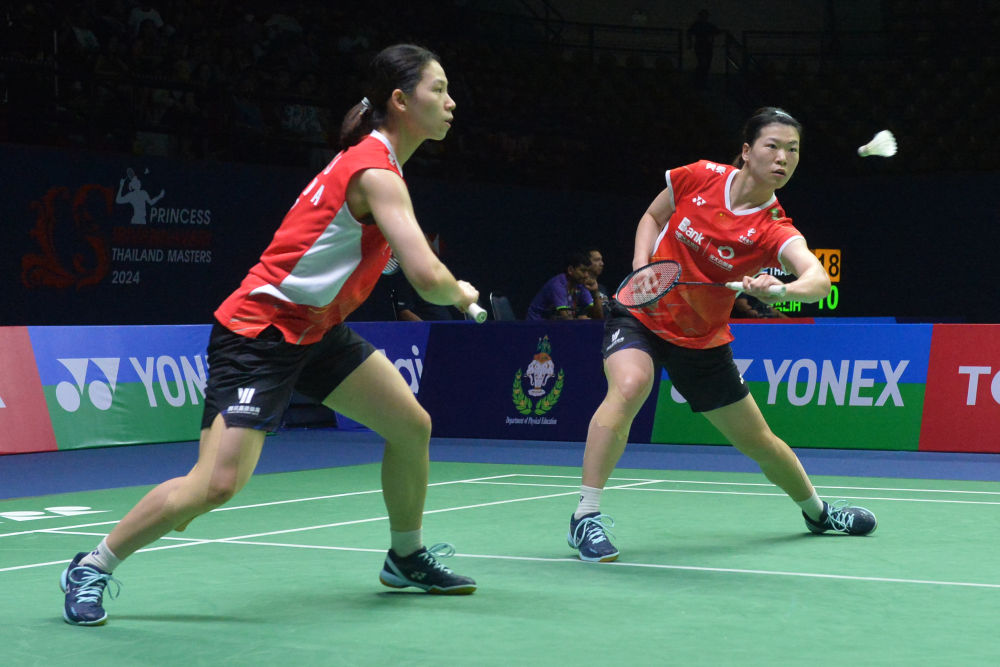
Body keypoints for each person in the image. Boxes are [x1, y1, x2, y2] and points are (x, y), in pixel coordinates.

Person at [60, 44, 480, 627]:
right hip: (260, 332)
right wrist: (460, 292)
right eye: (439, 89)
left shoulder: (377, 162)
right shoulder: (374, 171)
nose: (451, 102)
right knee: (216, 484)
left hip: (315, 328)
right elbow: (427, 277)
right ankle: (92, 565)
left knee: (411, 425)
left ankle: (405, 557)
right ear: (401, 100)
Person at [567, 107, 877, 563]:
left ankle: (818, 512)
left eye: (793, 150)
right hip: (642, 315)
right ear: (747, 151)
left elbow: (818, 280)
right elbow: (652, 215)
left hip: (701, 339)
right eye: (773, 146)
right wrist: (642, 267)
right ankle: (585, 516)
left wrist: (782, 289)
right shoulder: (699, 177)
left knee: (759, 442)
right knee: (631, 385)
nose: (783, 158)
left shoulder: (773, 227)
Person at [525, 251, 604, 321]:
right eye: (583, 271)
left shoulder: (580, 284)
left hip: (553, 325)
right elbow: (566, 320)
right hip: (536, 325)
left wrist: (595, 292)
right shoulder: (558, 285)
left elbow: (598, 318)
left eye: (588, 271)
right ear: (570, 270)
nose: (586, 275)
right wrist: (579, 320)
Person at [687, 9, 721, 89]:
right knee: (703, 64)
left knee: (706, 64)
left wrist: (712, 36)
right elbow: (689, 33)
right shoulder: (698, 25)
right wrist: (690, 43)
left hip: (706, 46)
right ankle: (699, 82)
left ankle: (701, 82)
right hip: (701, 46)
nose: (705, 17)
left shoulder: (706, 25)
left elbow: (717, 31)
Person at [585, 247, 612, 318]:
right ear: (586, 263)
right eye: (597, 260)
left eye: (601, 260)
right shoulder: (583, 287)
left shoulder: (602, 288)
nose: (602, 263)